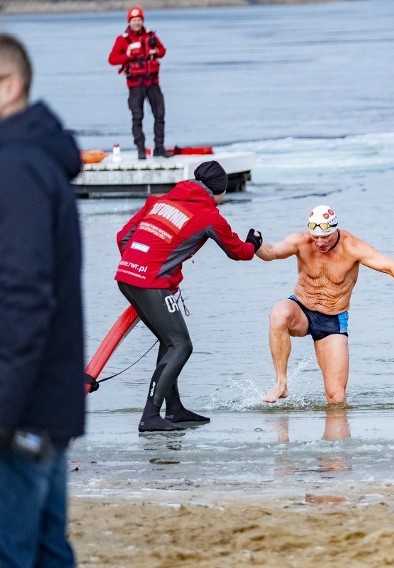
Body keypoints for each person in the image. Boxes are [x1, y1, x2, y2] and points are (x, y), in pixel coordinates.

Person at [0, 33, 86, 567]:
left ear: (9, 85)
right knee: (47, 551)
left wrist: (4, 409)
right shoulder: (37, 158)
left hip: (22, 408)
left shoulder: (15, 168)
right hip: (44, 401)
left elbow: (24, 298)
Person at [115, 161, 263, 431]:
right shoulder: (209, 216)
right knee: (181, 345)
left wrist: (138, 265)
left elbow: (123, 237)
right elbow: (239, 252)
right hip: (151, 284)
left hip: (126, 277)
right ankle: (150, 416)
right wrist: (255, 240)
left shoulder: (157, 202)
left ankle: (174, 409)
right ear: (220, 192)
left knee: (169, 340)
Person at [257, 205, 394, 404]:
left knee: (336, 399)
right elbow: (272, 252)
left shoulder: (352, 247)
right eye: (316, 236)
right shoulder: (301, 241)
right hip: (301, 310)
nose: (320, 242)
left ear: (335, 229)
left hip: (332, 320)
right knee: (279, 313)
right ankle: (281, 384)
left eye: (325, 236)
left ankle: (336, 434)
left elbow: (392, 267)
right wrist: (255, 243)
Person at [108, 6, 172, 160]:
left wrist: (155, 51)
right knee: (137, 116)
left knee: (160, 114)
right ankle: (140, 149)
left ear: (142, 20)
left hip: (152, 82)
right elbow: (112, 59)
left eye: (139, 20)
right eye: (134, 20)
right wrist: (128, 55)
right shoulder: (122, 40)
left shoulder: (151, 36)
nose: (136, 23)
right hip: (135, 85)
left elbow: (163, 51)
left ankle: (159, 147)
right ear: (129, 22)